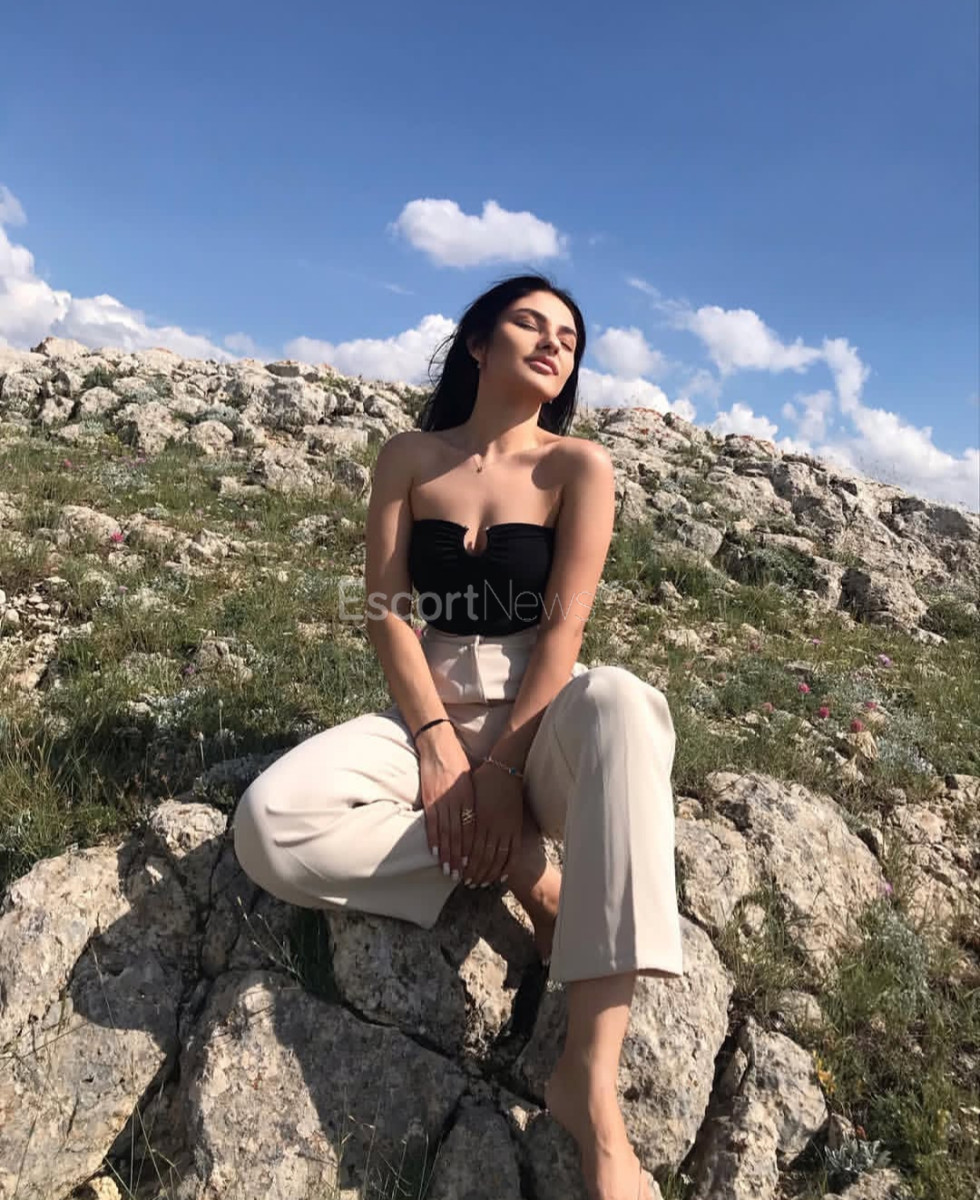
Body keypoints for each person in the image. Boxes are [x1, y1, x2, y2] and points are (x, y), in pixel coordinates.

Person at [233, 273, 683, 1200]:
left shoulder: (578, 467)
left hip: (540, 716)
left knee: (625, 703)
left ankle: (589, 1087)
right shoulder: (410, 455)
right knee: (268, 823)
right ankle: (527, 873)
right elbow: (387, 613)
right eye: (530, 323)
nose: (554, 343)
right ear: (478, 343)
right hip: (427, 708)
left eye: (569, 337)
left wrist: (507, 770)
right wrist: (439, 745)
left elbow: (563, 631)